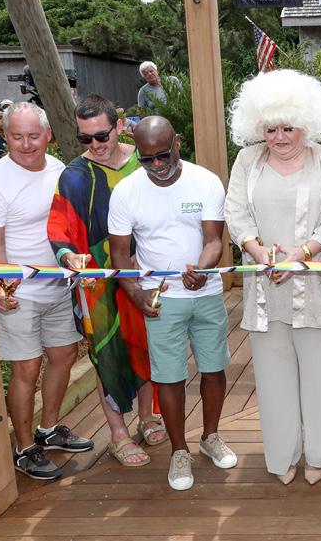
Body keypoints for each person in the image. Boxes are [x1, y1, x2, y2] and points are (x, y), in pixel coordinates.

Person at [225, 69, 321, 486]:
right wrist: (256, 250)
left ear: (306, 124)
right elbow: (235, 212)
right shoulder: (247, 161)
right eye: (270, 129)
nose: (279, 137)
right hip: (265, 288)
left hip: (316, 288)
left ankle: (320, 454)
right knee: (273, 376)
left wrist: (305, 252)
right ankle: (283, 456)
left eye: (288, 128)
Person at [108, 116, 235, 491]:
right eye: (147, 159)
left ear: (177, 143)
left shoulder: (206, 181)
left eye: (163, 155)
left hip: (205, 292)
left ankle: (210, 436)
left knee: (214, 368)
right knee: (169, 376)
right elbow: (119, 255)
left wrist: (203, 268)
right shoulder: (126, 192)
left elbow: (214, 240)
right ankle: (180, 452)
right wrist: (137, 294)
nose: (156, 165)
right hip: (159, 298)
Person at [0, 102, 94, 480]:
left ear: (48, 135)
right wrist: (1, 288)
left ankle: (49, 429)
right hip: (19, 292)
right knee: (26, 367)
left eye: (33, 136)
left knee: (64, 354)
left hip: (58, 286)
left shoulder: (59, 170)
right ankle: (24, 448)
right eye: (16, 136)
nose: (25, 145)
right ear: (4, 135)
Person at [47, 93, 164, 469]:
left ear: (119, 126)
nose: (95, 145)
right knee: (106, 351)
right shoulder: (74, 176)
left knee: (147, 344)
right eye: (85, 138)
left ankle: (148, 416)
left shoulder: (145, 161)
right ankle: (117, 434)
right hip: (96, 282)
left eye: (102, 135)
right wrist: (68, 257)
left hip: (145, 270)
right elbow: (58, 228)